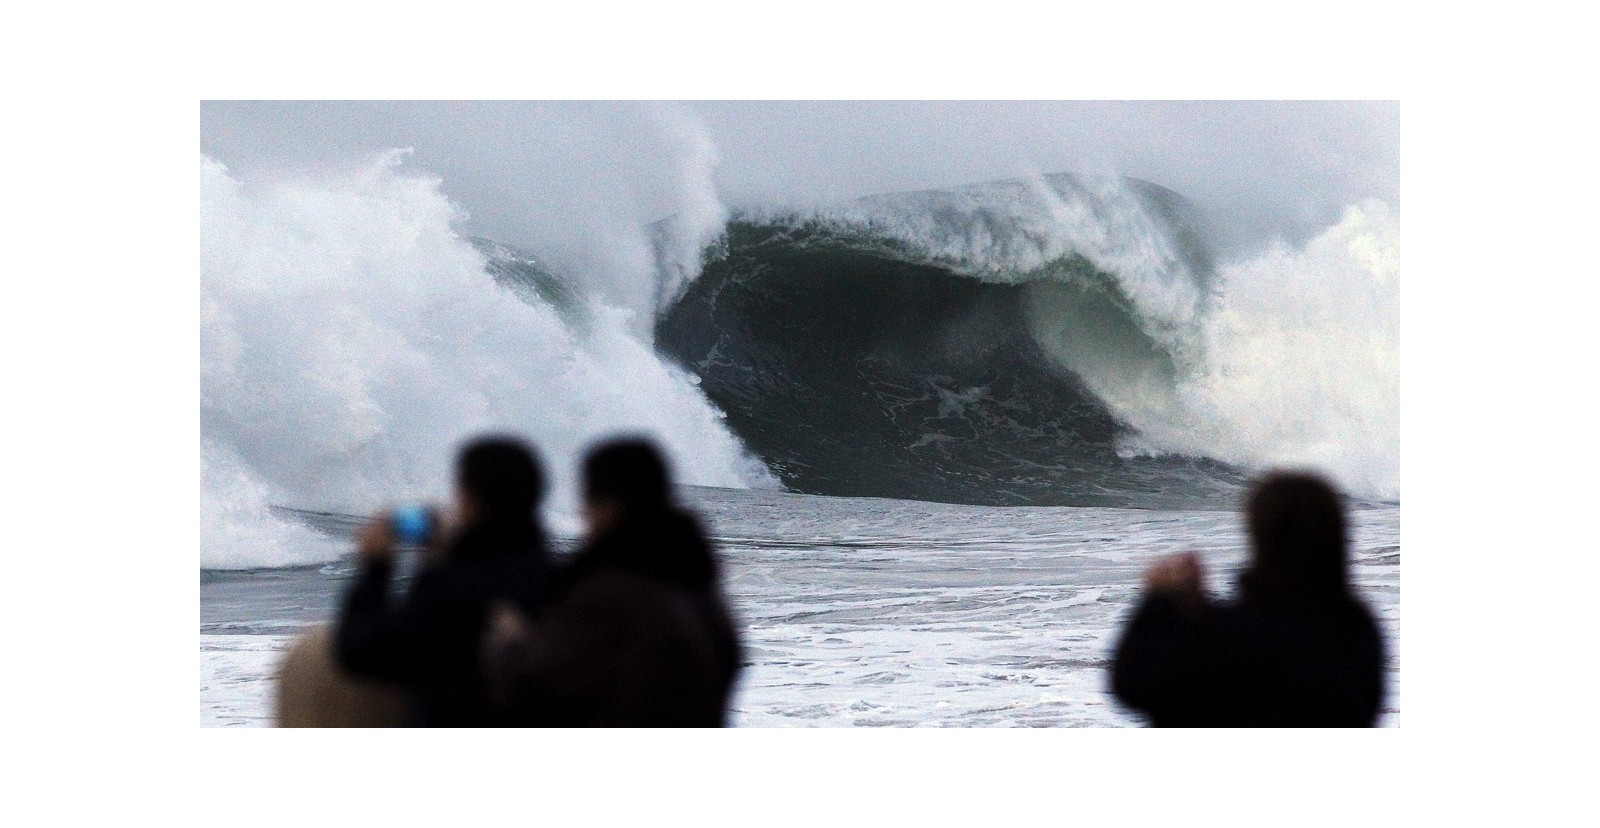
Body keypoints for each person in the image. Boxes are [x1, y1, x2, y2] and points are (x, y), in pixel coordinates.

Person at [484, 438, 743, 726]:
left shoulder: (611, 594)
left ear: (608, 506)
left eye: (588, 502)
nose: (583, 513)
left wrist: (509, 643)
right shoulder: (700, 588)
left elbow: (532, 693)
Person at [1109, 470, 1386, 726]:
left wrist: (1160, 601)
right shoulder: (1357, 632)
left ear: (1258, 535)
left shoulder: (1221, 634)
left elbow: (1132, 686)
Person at [333, 435, 551, 726]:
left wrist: (377, 568)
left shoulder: (452, 586)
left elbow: (359, 652)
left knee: (310, 662)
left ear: (469, 500)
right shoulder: (557, 576)